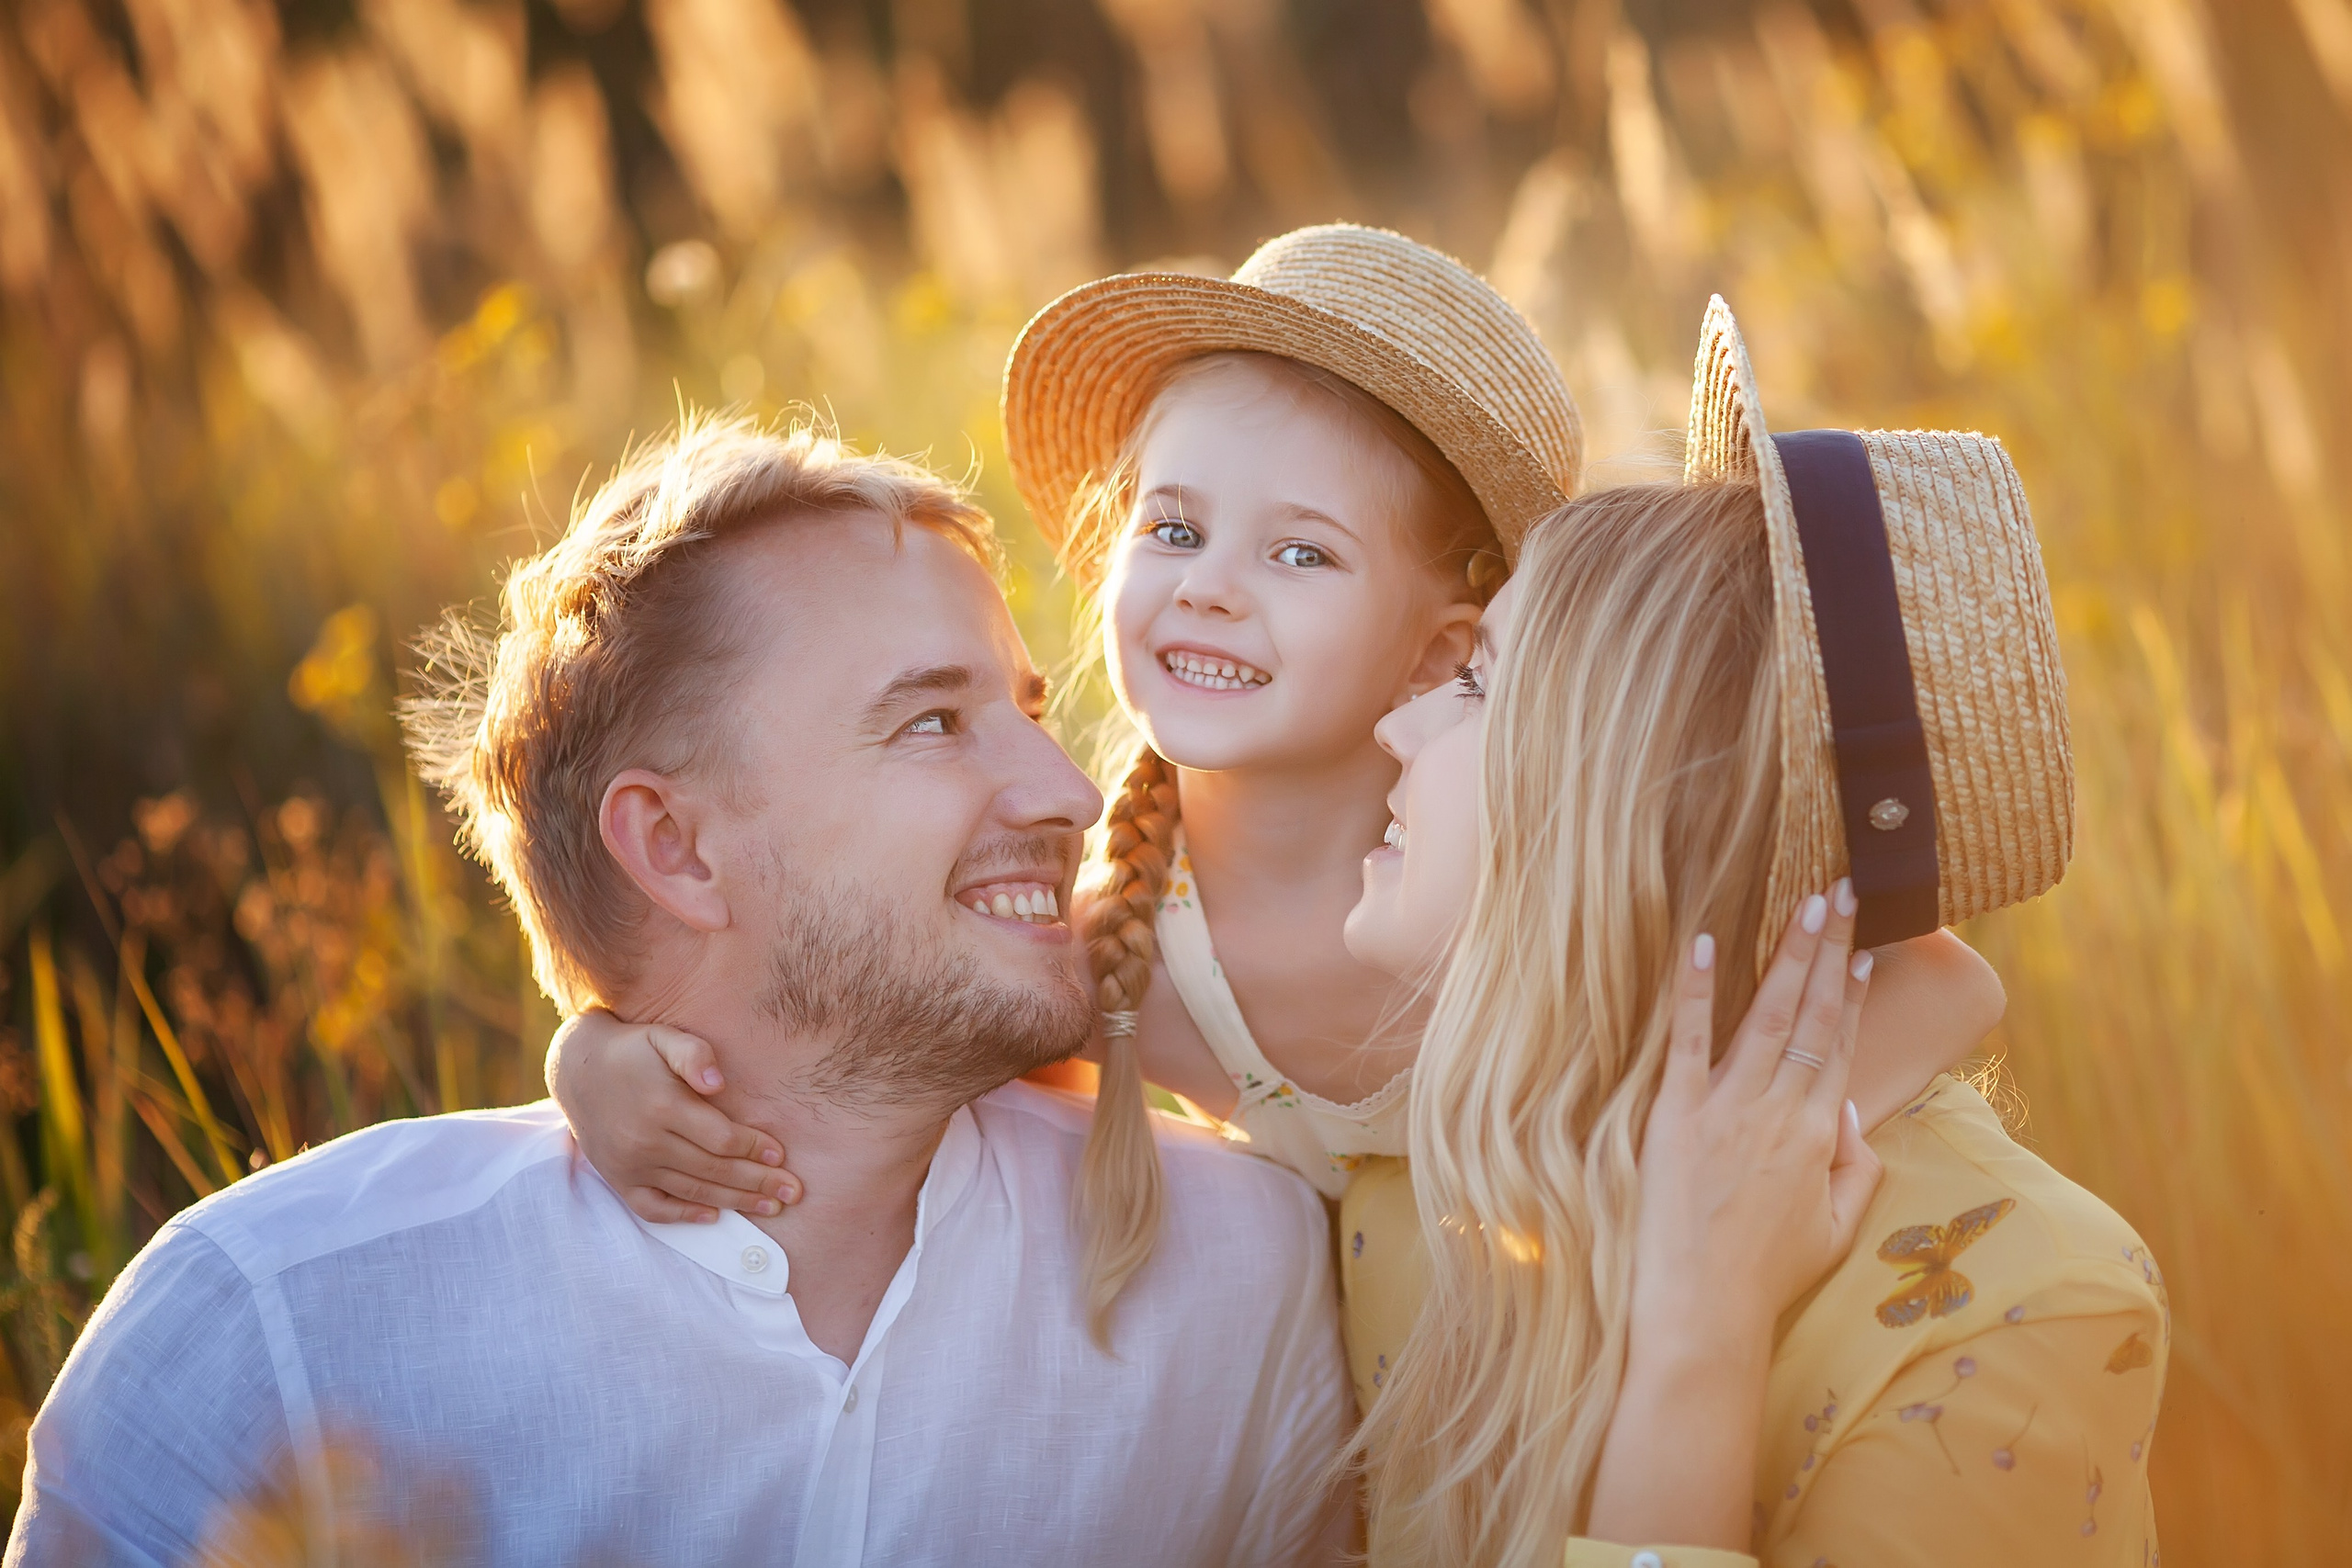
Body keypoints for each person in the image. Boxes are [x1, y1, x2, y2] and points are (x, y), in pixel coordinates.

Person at [547, 226, 2005, 1379]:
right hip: (1346, 1436)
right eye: (1172, 528)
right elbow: (870, 1030)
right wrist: (598, 1062)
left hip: (1602, 1391)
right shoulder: (1117, 952)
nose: (1210, 586)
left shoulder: (1511, 873)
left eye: (1301, 555)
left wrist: (1651, 1219)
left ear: (1447, 647)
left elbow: (1946, 990)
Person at [6, 418, 1354, 1566]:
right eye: (934, 722)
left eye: (1028, 711)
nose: (1069, 794)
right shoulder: (271, 1333)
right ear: (675, 849)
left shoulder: (1245, 1283)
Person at [1345, 299, 2168, 1566]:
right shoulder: (1419, 1196)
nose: (1393, 732)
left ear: (1620, 797)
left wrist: (1699, 1337)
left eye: (1472, 686)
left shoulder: (2014, 1306)